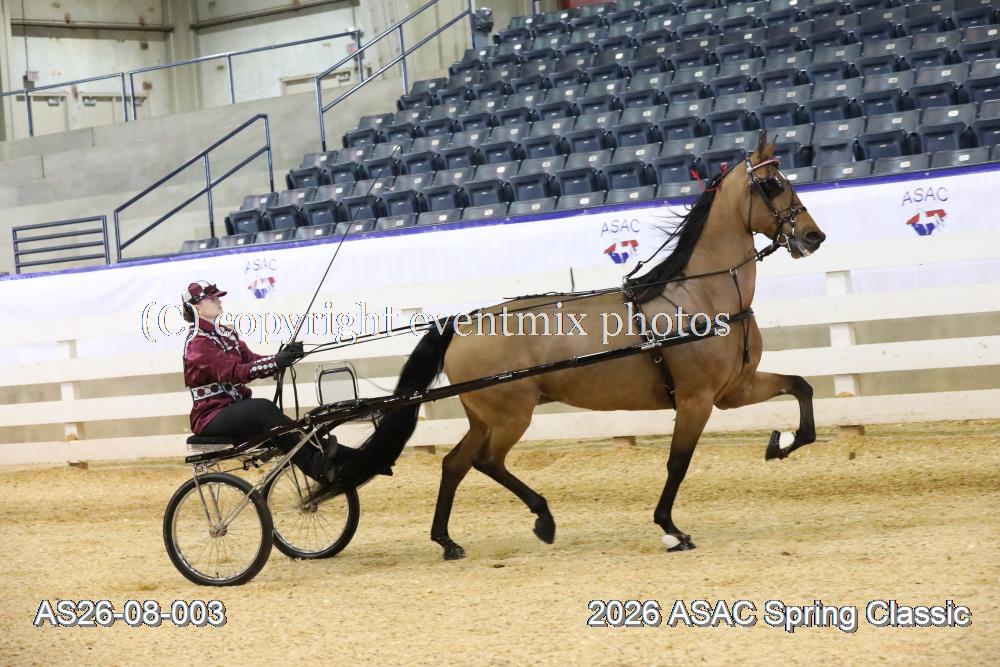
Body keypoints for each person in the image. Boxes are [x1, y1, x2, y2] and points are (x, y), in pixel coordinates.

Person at [181, 280, 338, 484]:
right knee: (263, 409)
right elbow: (235, 372)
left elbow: (251, 360)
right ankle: (314, 465)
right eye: (212, 299)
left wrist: (282, 357)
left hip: (234, 409)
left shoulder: (227, 335)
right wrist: (275, 362)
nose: (219, 301)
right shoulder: (197, 344)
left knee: (286, 428)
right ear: (197, 308)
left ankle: (348, 460)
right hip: (211, 416)